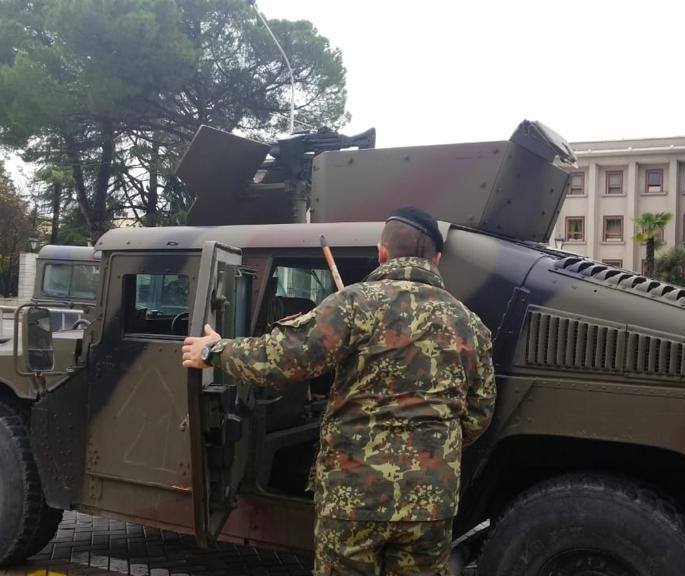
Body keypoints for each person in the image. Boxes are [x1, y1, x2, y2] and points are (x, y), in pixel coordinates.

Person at [182, 207, 496, 575]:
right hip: (430, 503)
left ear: (382, 252)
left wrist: (214, 350)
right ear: (437, 259)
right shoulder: (469, 324)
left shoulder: (353, 305)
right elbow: (479, 413)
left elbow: (283, 358)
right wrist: (431, 451)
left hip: (354, 497)